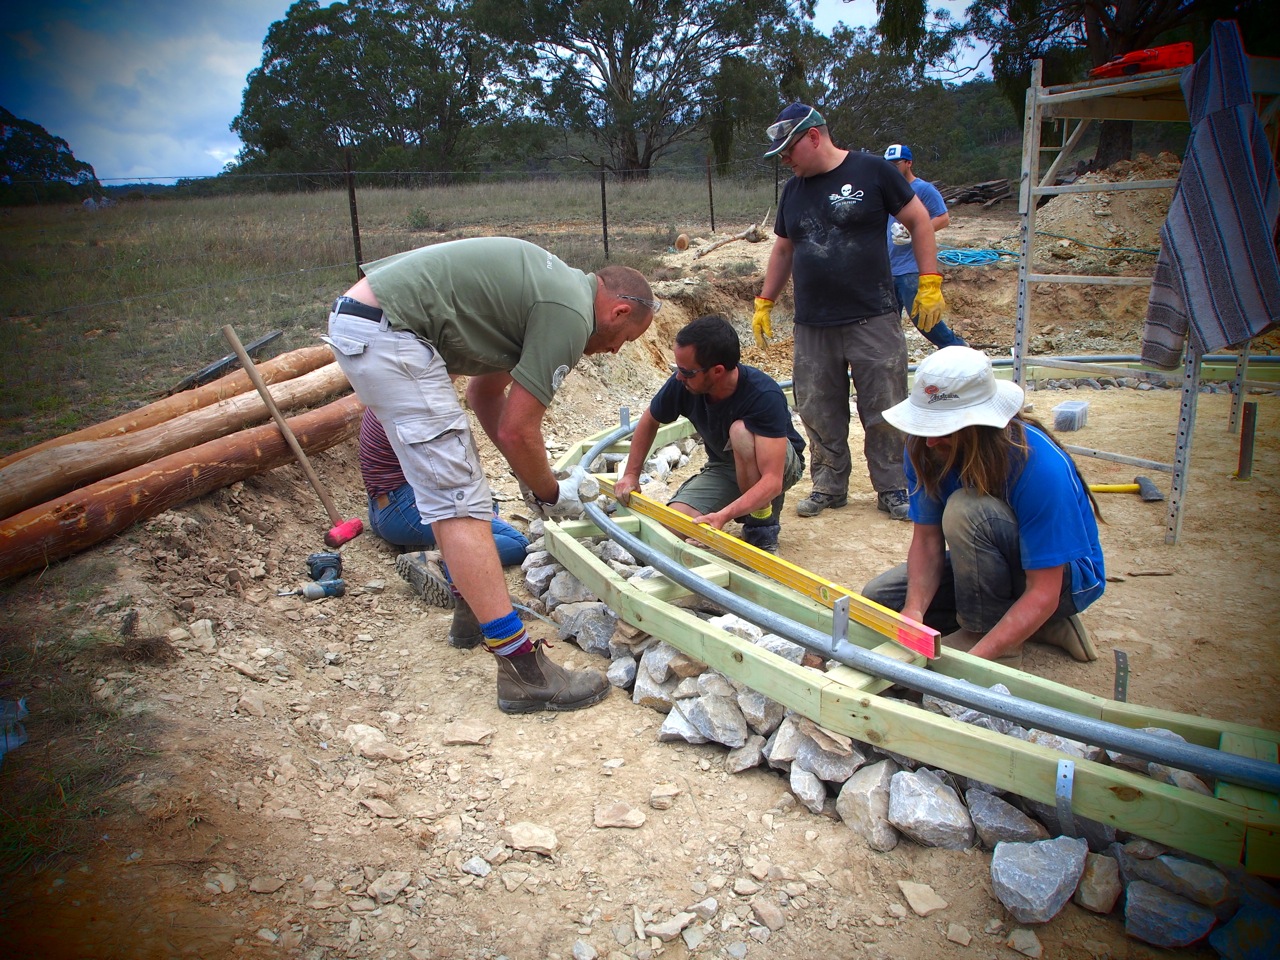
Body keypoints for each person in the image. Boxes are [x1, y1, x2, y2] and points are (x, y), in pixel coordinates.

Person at [323, 237, 657, 713]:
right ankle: (523, 671)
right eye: (624, 340)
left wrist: (532, 481)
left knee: (455, 490)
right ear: (619, 312)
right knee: (459, 500)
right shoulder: (570, 311)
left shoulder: (548, 291)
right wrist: (550, 492)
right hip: (390, 333)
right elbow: (520, 430)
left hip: (376, 323)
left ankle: (469, 608)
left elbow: (486, 397)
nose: (614, 352)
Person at [754, 103, 946, 522]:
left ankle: (894, 486)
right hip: (813, 323)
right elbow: (784, 247)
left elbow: (919, 220)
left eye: (789, 150)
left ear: (814, 136)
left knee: (885, 405)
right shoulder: (793, 190)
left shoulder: (873, 171)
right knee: (818, 407)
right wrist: (765, 300)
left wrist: (929, 281)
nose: (785, 160)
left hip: (872, 316)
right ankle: (829, 484)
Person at [861, 347, 1105, 669]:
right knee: (880, 600)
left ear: (981, 425)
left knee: (967, 511)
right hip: (995, 564)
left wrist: (971, 663)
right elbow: (927, 541)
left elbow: (1045, 590)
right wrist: (914, 612)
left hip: (1061, 583)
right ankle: (1038, 625)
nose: (931, 441)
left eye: (943, 428)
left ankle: (987, 633)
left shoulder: (1039, 466)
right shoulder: (925, 446)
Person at [614, 314, 806, 554]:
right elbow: (649, 420)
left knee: (741, 432)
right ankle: (747, 506)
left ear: (717, 371)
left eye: (687, 371)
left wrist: (722, 516)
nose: (678, 377)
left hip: (778, 464)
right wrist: (631, 474)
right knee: (670, 527)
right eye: (678, 369)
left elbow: (772, 480)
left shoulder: (763, 395)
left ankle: (761, 526)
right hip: (725, 466)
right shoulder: (683, 382)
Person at [357, 407, 529, 645]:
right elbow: (455, 474)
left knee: (489, 507)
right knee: (518, 543)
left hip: (385, 506)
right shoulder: (422, 404)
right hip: (404, 510)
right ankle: (438, 559)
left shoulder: (389, 391)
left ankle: (437, 543)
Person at [883, 143, 968, 350]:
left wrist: (915, 232)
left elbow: (943, 218)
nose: (891, 168)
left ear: (908, 163)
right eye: (888, 165)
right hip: (888, 267)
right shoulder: (885, 191)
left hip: (911, 267)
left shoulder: (923, 189)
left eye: (896, 164)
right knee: (884, 325)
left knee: (925, 321)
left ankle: (957, 349)